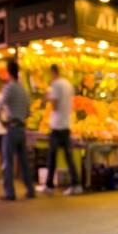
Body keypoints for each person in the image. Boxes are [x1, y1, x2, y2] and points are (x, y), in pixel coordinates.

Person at [37, 64, 83, 196]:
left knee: (52, 156)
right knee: (68, 157)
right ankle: (76, 184)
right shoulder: (68, 85)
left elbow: (55, 105)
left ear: (53, 72)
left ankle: (49, 185)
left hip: (57, 126)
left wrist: (48, 97)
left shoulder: (56, 85)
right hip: (66, 124)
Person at [0, 61, 35, 201]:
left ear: (8, 72)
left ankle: (10, 192)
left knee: (8, 161)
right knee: (24, 162)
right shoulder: (23, 89)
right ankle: (30, 189)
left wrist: (2, 121)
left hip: (12, 127)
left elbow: (0, 106)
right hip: (21, 128)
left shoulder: (9, 88)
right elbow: (28, 111)